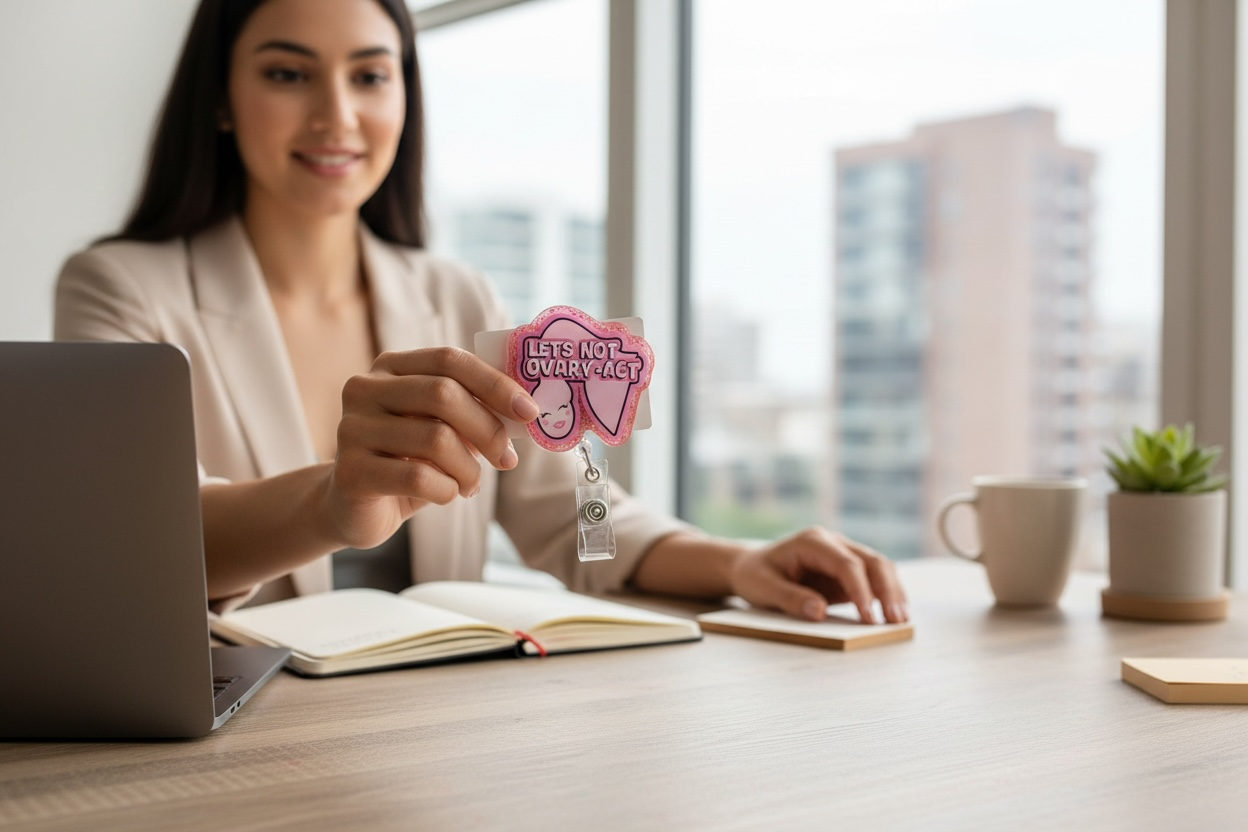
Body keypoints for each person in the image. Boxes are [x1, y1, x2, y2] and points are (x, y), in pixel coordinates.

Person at [55, 0, 909, 624]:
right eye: (287, 73)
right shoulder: (119, 288)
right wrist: (332, 503)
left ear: (404, 97)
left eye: (370, 75)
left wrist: (740, 560)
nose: (338, 115)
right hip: (238, 752)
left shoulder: (458, 295)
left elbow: (578, 515)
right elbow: (143, 536)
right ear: (219, 99)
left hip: (439, 735)